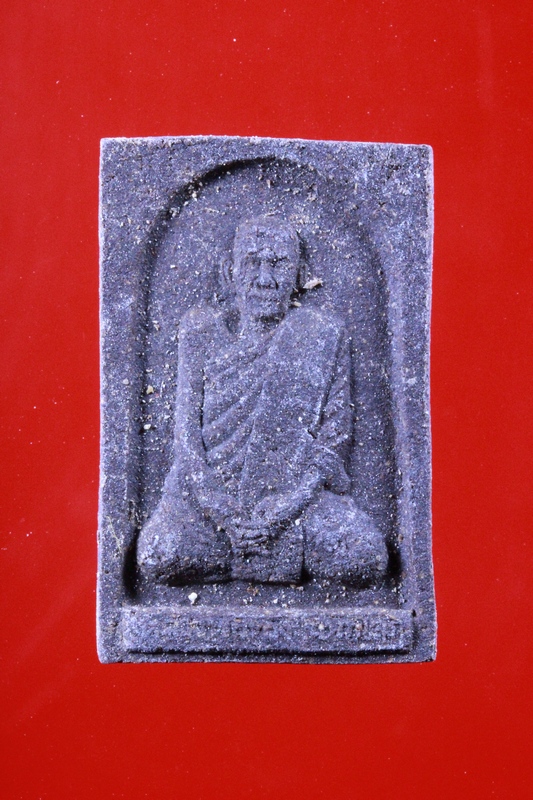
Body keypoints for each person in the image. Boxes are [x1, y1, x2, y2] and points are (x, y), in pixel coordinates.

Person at [137, 215, 387, 585]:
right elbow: (186, 444)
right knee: (160, 554)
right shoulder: (201, 331)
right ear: (230, 271)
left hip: (297, 503)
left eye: (279, 264)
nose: (265, 280)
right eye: (252, 263)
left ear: (300, 273)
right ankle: (248, 549)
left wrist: (288, 508)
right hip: (212, 502)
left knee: (364, 558)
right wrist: (223, 512)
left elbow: (333, 443)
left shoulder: (322, 334)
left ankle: (246, 552)